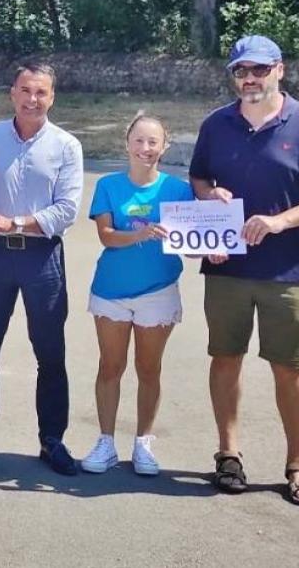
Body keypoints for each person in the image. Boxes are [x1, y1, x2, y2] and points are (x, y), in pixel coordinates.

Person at [189, 35, 299, 507]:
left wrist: (280, 220)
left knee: (289, 367)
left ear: (280, 69)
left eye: (258, 70)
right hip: (225, 268)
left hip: (288, 271)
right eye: (241, 71)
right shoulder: (216, 124)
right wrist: (206, 196)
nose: (249, 79)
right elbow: (199, 177)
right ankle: (228, 454)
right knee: (225, 359)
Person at [0, 63, 84, 475]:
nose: (32, 99)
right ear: (12, 93)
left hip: (41, 257)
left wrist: (19, 222)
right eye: (25, 90)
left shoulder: (66, 146)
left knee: (50, 354)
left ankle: (52, 441)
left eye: (41, 92)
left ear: (52, 97)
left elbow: (67, 211)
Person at [80, 114, 193, 476]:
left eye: (153, 142)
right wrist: (141, 235)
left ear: (164, 147)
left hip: (158, 292)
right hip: (111, 292)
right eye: (139, 141)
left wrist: (216, 238)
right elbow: (107, 236)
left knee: (149, 369)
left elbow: (192, 241)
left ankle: (143, 442)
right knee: (110, 367)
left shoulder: (178, 190)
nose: (146, 148)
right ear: (127, 144)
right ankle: (106, 441)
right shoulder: (109, 186)